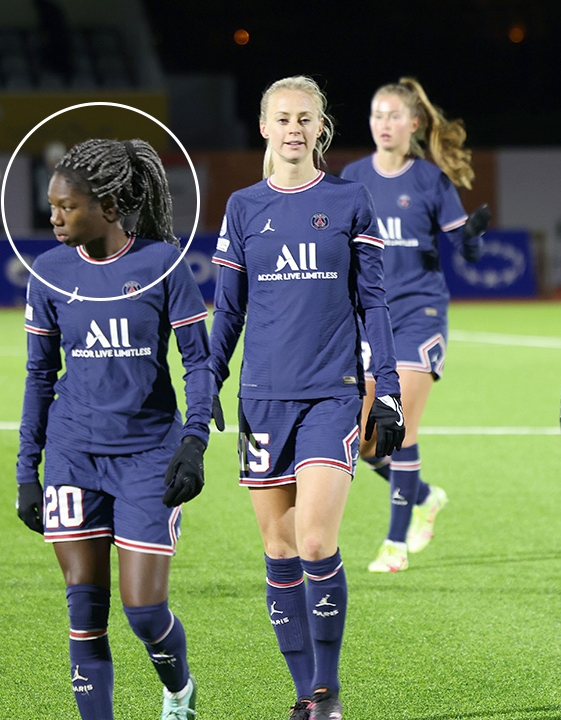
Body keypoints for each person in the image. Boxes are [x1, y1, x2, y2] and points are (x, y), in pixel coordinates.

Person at [208, 75, 405, 720]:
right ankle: (301, 695)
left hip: (331, 396)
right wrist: (207, 382)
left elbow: (373, 302)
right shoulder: (242, 208)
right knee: (279, 550)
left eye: (305, 119)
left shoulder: (350, 200)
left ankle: (327, 692)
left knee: (316, 541)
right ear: (264, 126)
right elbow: (228, 312)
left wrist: (388, 389)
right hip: (262, 400)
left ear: (321, 128)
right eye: (283, 118)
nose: (294, 129)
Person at [14, 138, 213, 720]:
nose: (54, 217)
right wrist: (27, 471)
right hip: (73, 456)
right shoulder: (48, 272)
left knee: (144, 612)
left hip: (149, 455)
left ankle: (178, 691)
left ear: (107, 207)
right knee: (84, 613)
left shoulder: (162, 264)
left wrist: (194, 441)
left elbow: (198, 361)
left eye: (66, 207)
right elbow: (39, 375)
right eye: (51, 206)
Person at [340, 77, 489, 573]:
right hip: (368, 320)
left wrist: (473, 236)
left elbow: (466, 249)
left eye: (394, 115)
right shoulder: (352, 177)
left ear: (414, 124)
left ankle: (395, 544)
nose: (384, 123)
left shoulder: (430, 180)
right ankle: (425, 496)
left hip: (419, 316)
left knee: (397, 424)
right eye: (377, 115)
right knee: (364, 443)